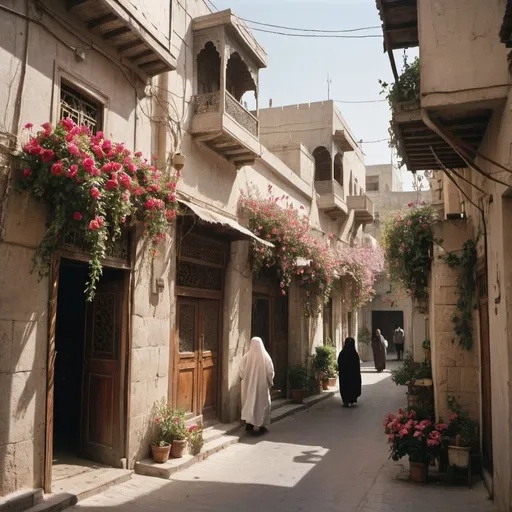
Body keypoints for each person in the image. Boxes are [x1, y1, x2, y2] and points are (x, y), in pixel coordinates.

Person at [239, 337, 275, 436]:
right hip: (262, 386)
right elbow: (270, 371)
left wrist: (246, 380)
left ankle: (249, 424)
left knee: (249, 403)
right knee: (262, 404)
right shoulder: (266, 357)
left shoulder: (246, 357)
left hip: (248, 387)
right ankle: (261, 425)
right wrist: (270, 382)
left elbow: (241, 372)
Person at [337, 337, 362, 408]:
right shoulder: (355, 354)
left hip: (344, 376)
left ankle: (346, 401)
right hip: (353, 377)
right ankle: (351, 400)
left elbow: (339, 362)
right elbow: (357, 366)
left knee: (345, 388)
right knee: (352, 387)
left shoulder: (342, 353)